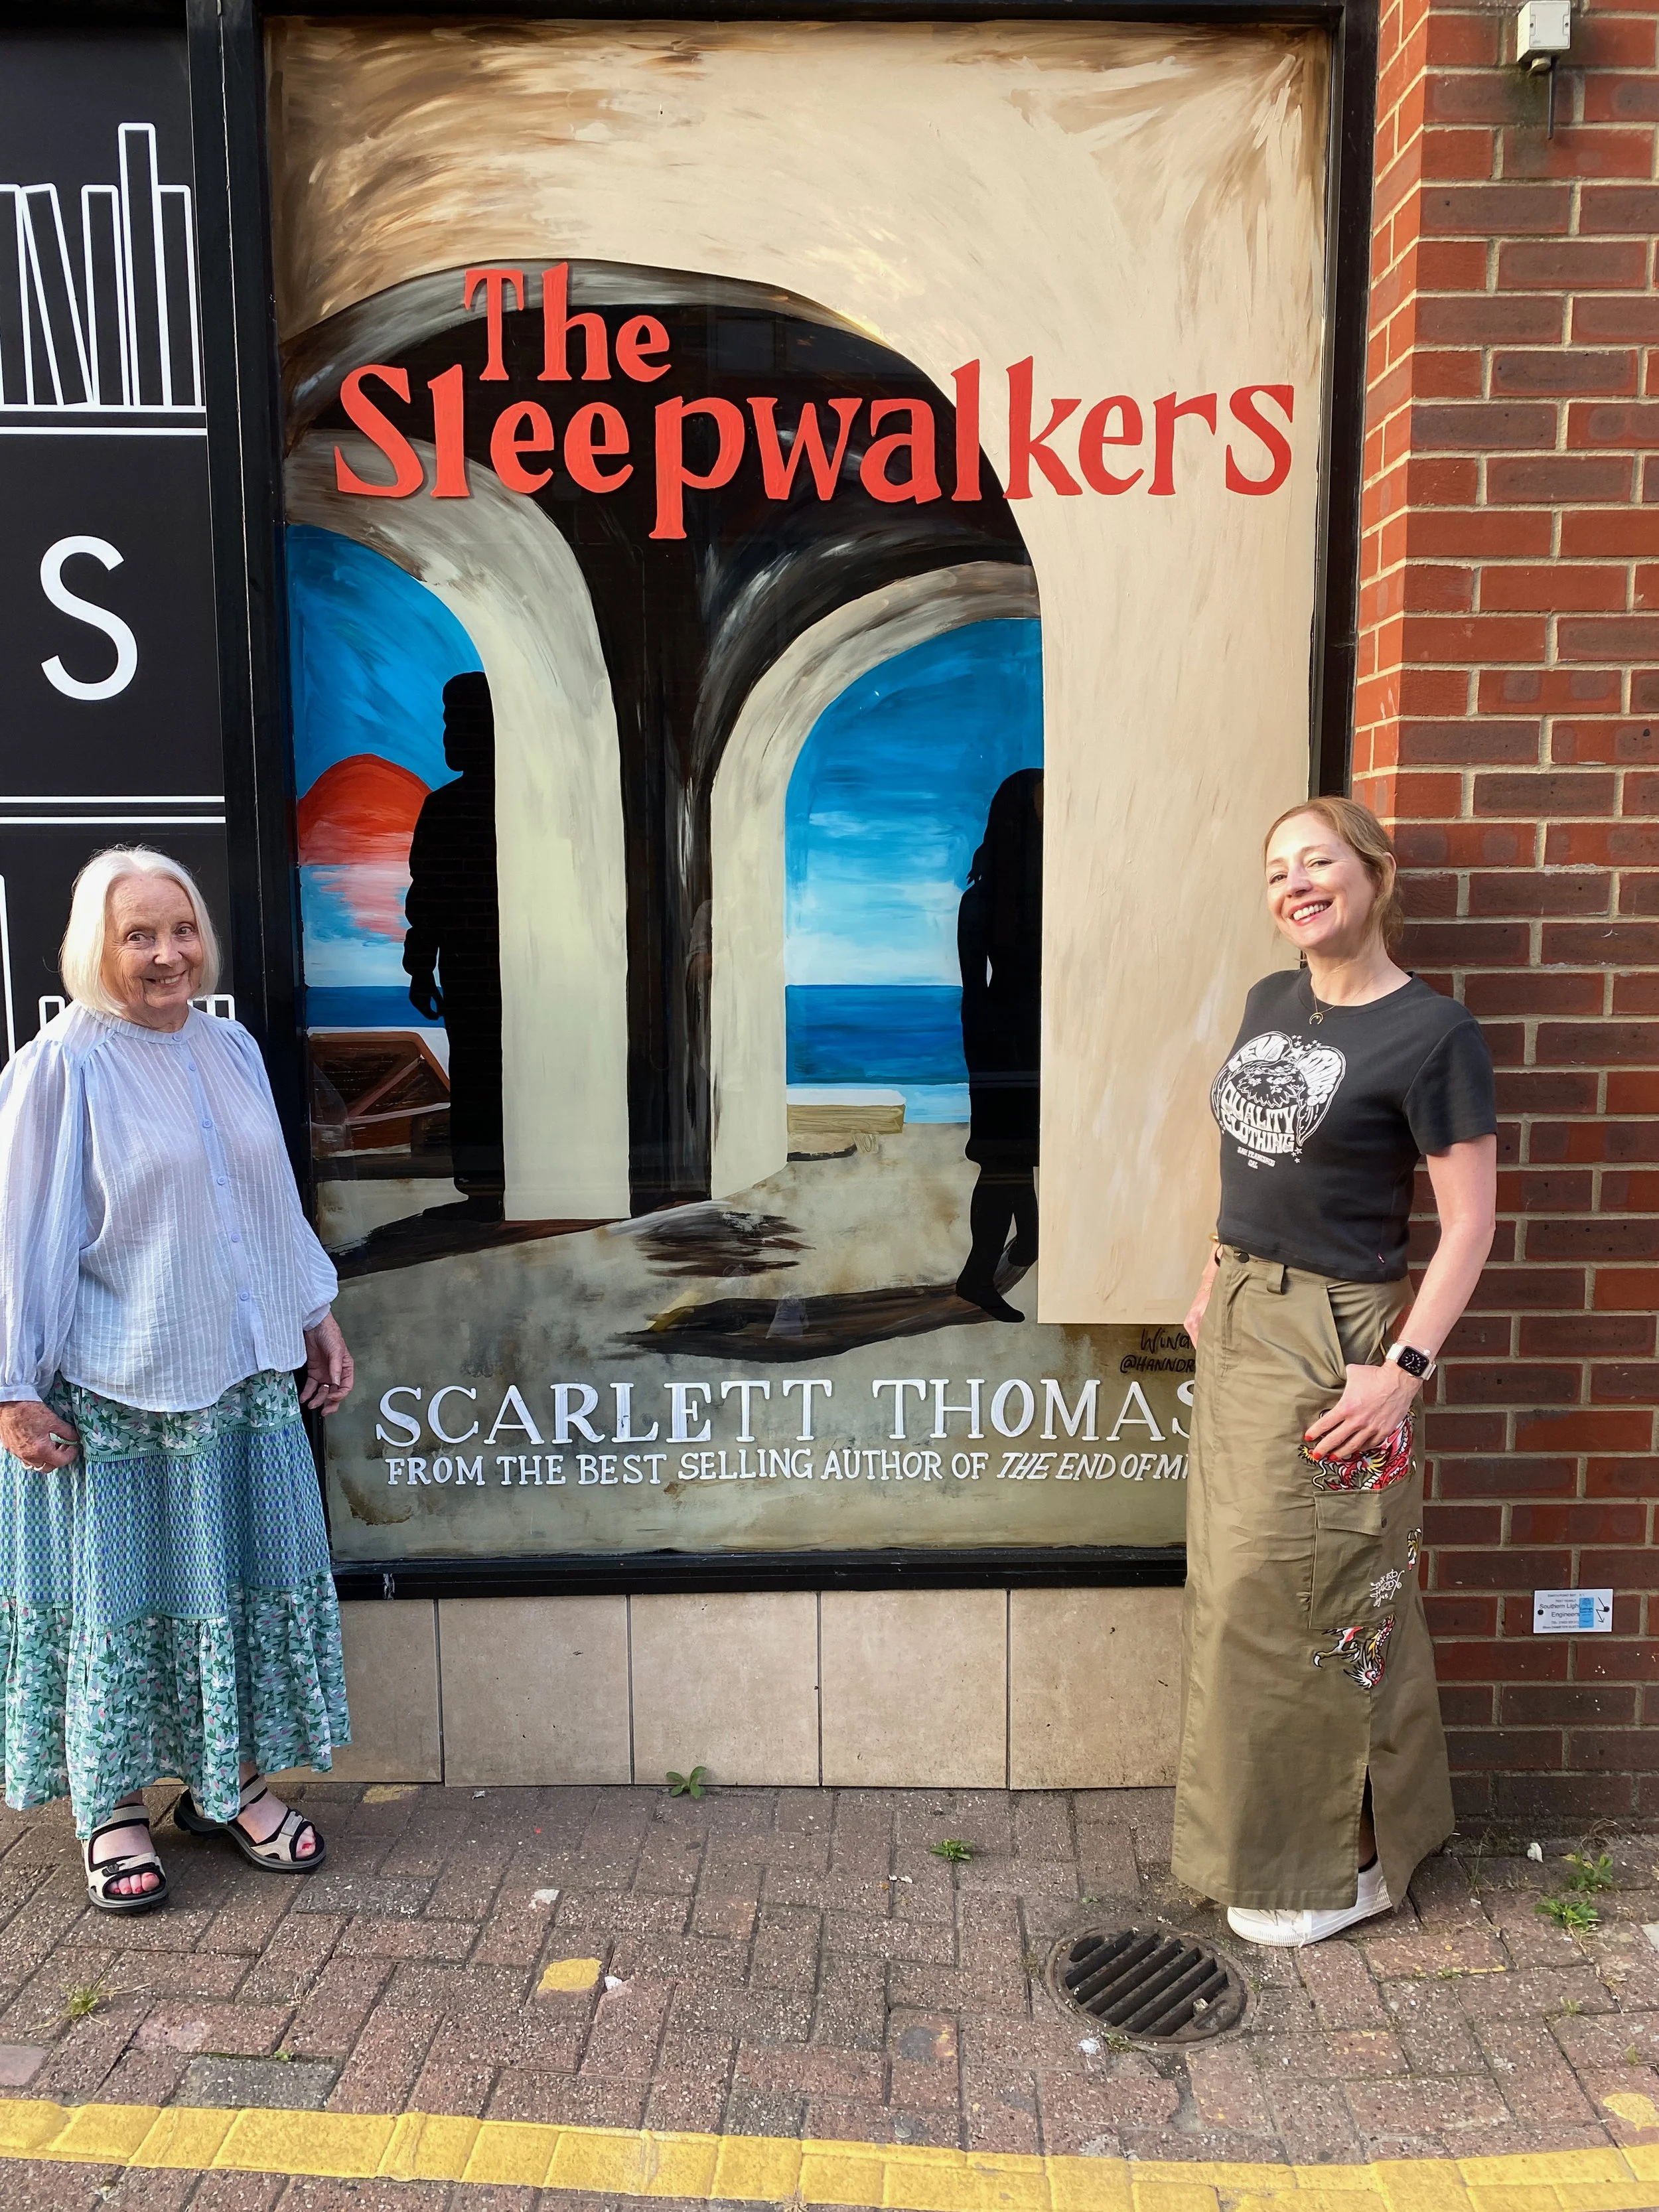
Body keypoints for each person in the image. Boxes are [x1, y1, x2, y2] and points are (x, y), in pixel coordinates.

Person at [0, 848, 353, 1913]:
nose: (167, 954)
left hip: (241, 1384)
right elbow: (19, 1239)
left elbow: (268, 1201)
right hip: (119, 1395)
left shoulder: (231, 1045)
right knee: (122, 1606)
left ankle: (225, 1784)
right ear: (94, 949)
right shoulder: (63, 1066)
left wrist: (314, 1312)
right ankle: (109, 1806)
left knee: (232, 1594)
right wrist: (12, 1389)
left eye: (181, 929)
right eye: (138, 935)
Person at [1174, 796, 1496, 1947]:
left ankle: (1345, 1859)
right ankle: (1260, 1839)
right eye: (1276, 871)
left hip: (1338, 1339)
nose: (1295, 884)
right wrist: (1216, 1274)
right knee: (1243, 1595)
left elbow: (1469, 1225)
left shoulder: (1433, 1033)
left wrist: (1402, 1370)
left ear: (1374, 873)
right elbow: (1250, 1161)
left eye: (1318, 861)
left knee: (1323, 1594)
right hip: (1250, 1322)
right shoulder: (1274, 1001)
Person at [404, 670, 504, 1220]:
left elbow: (428, 897)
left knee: (480, 1070)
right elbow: (429, 896)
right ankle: (484, 1178)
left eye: (458, 722)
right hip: (469, 969)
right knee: (478, 1069)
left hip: (476, 968)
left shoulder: (449, 808)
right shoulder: (444, 808)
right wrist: (420, 967)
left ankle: (484, 1179)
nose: (448, 735)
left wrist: (421, 968)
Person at [956, 768, 1043, 1323]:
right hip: (1003, 1045)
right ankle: (976, 1275)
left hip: (1037, 1040)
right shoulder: (983, 900)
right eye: (1041, 806)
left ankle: (1030, 1242)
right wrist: (989, 1069)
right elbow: (974, 994)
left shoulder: (1045, 891)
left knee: (1019, 1159)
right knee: (1005, 1163)